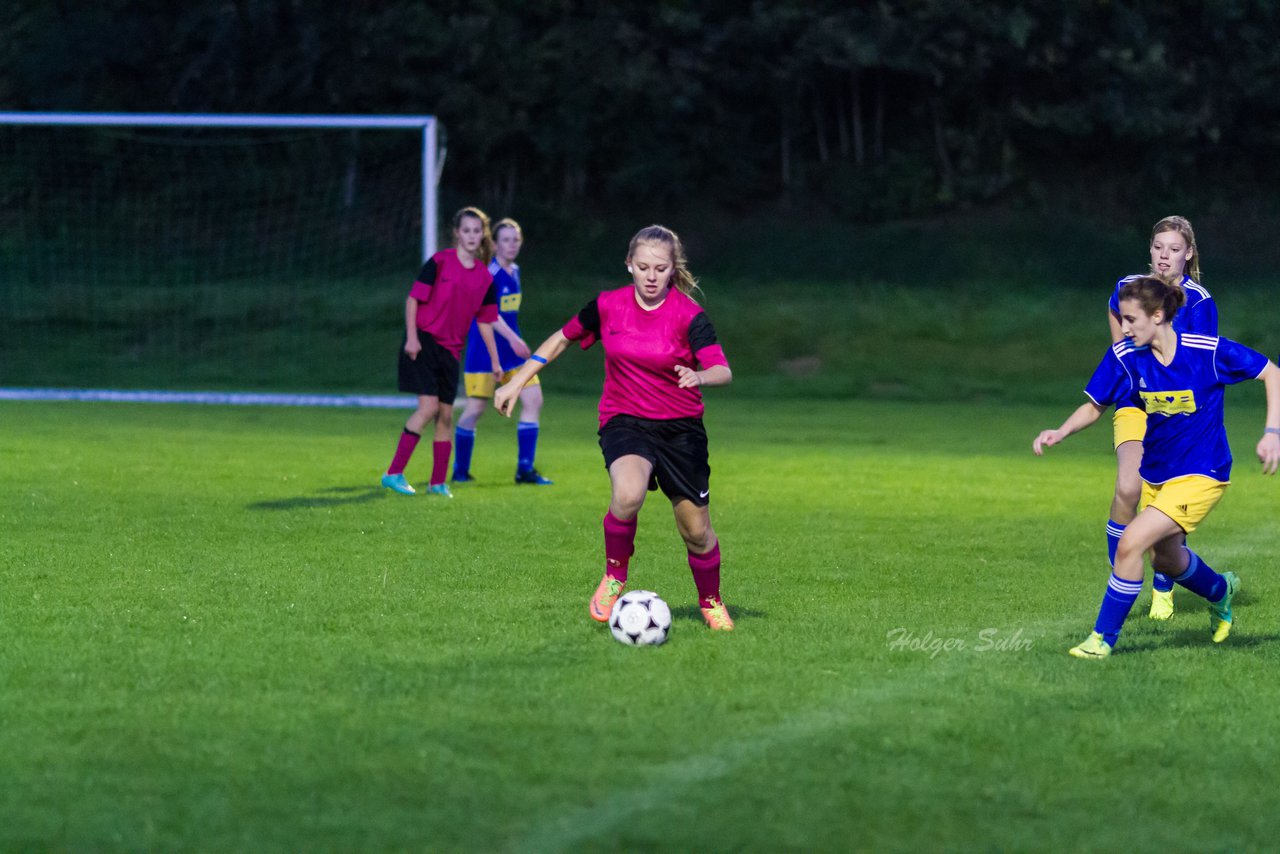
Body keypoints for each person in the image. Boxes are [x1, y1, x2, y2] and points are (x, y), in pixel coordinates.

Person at [493, 224, 737, 630]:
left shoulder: (690, 315)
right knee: (627, 495)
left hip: (681, 431)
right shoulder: (608, 306)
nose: (652, 276)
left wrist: (700, 377)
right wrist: (517, 382)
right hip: (625, 420)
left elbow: (722, 369)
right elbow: (561, 338)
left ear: (673, 269)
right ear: (629, 265)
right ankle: (614, 576)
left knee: (697, 532)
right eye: (643, 267)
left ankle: (710, 600)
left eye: (661, 268)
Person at [1034, 275, 1280, 658]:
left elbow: (1271, 372)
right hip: (1157, 474)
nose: (1124, 327)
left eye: (1131, 319)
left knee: (1131, 542)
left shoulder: (1205, 351)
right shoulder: (1126, 357)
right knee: (1165, 558)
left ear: (1159, 315)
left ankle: (1101, 640)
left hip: (1203, 472)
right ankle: (1220, 590)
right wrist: (1061, 431)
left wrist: (1272, 432)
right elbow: (1095, 405)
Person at [1104, 216, 1217, 620]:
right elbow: (1121, 349)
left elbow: (1202, 361)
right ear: (1149, 250)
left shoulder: (1199, 301)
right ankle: (1119, 573)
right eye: (1158, 247)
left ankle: (1163, 584)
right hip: (1138, 402)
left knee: (1170, 497)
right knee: (1128, 487)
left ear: (1188, 254)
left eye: (1173, 249)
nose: (1164, 256)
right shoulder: (1126, 288)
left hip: (1177, 410)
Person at [380, 207, 502, 498]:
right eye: (466, 230)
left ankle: (438, 483)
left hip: (451, 351)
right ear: (457, 233)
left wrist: (496, 360)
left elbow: (486, 322)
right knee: (429, 408)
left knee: (446, 416)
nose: (471, 236)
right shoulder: (439, 262)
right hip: (423, 342)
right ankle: (393, 473)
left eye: (477, 231)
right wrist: (411, 338)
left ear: (481, 235)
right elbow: (413, 300)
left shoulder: (485, 278)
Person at [451, 218, 553, 486]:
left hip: (514, 355)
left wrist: (515, 343)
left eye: (515, 239)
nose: (511, 245)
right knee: (475, 409)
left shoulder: (515, 271)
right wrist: (514, 339)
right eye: (505, 240)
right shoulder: (488, 274)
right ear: (495, 244)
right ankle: (460, 470)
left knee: (534, 401)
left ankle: (525, 470)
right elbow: (488, 315)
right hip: (484, 352)